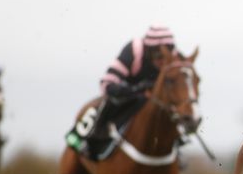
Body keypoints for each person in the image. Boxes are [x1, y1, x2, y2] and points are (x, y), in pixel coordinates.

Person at [66, 26, 177, 154]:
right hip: (128, 92)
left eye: (166, 56)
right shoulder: (134, 51)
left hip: (153, 99)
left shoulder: (175, 57)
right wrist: (137, 89)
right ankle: (80, 137)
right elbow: (107, 85)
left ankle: (177, 145)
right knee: (110, 101)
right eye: (158, 56)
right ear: (149, 51)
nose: (163, 61)